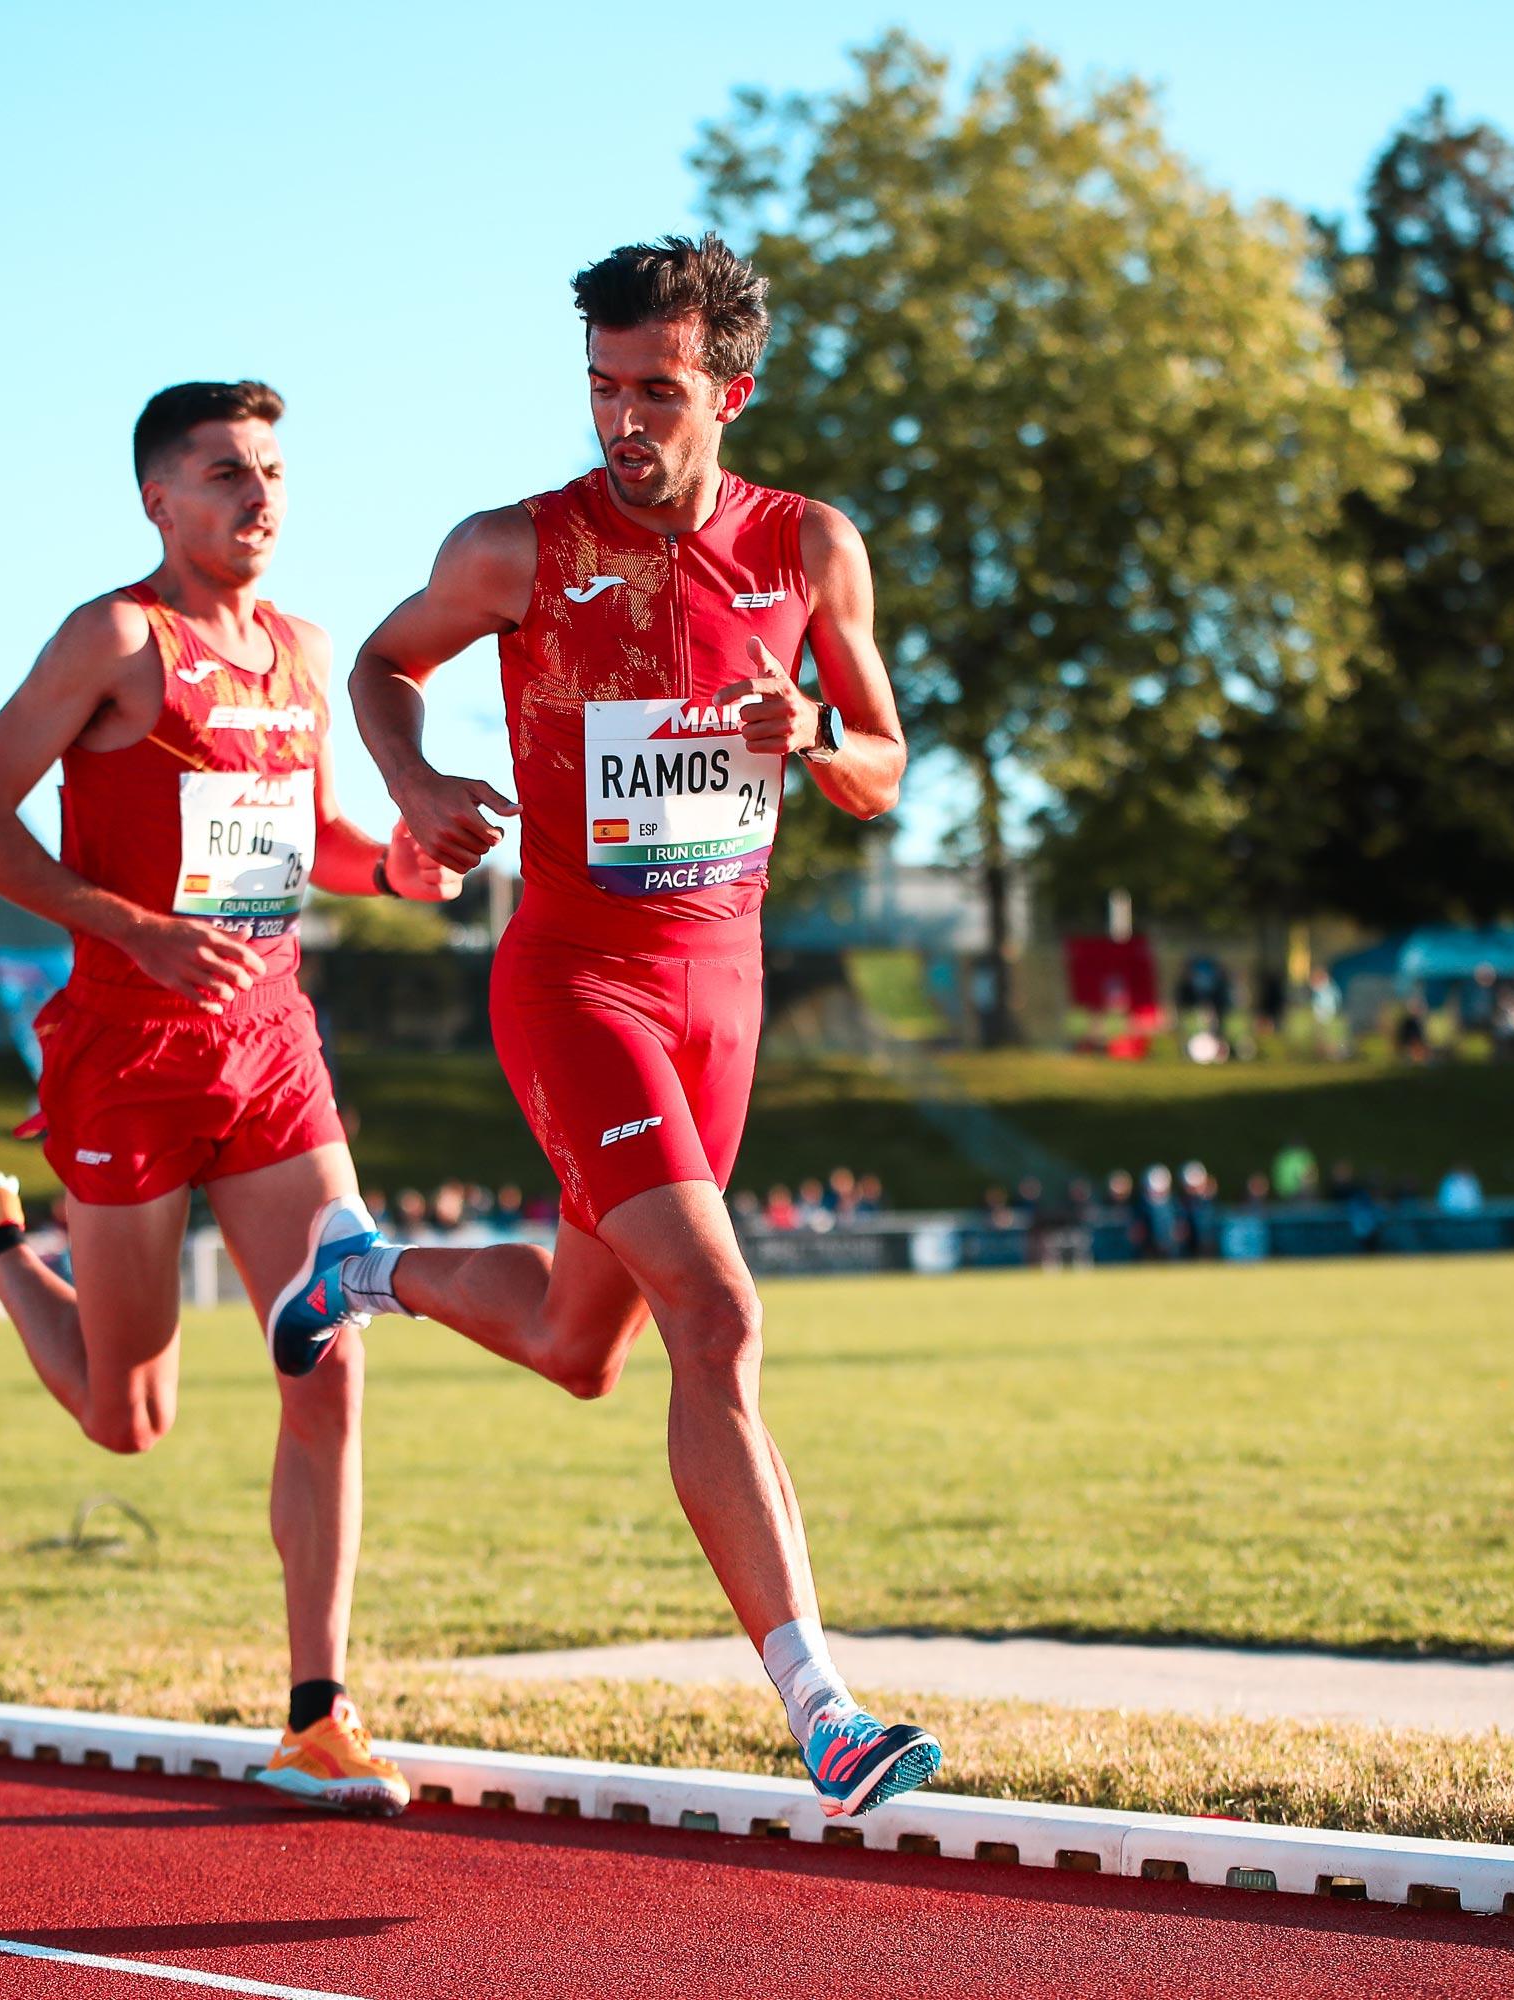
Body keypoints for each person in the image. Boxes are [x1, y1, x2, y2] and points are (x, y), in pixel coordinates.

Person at [301, 234, 940, 1819]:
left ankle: (362, 1269)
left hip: (724, 993)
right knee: (716, 1319)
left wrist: (821, 742)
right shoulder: (515, 547)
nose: (625, 422)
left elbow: (887, 762)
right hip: (574, 979)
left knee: (583, 1349)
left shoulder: (812, 549)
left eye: (657, 390)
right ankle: (825, 1708)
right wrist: (421, 784)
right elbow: (385, 666)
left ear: (733, 386)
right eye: (603, 389)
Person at [0, 379, 458, 1815]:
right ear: (159, 498)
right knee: (125, 1416)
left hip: (270, 1046)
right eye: (224, 474)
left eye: (272, 472)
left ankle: (319, 1711)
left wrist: (392, 865)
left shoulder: (305, 651)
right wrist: (131, 928)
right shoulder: (115, 640)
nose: (258, 498)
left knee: (330, 1348)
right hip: (130, 1054)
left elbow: (301, 836)